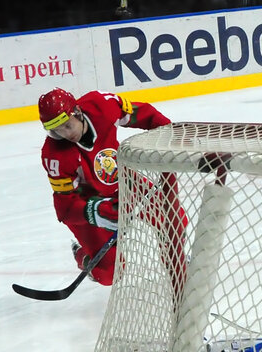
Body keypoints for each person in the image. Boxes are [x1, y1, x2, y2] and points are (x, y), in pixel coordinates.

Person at [37, 88, 172, 286]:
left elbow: (141, 114)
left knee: (171, 218)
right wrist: (99, 212)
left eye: (67, 126)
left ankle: (176, 266)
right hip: (86, 201)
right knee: (110, 274)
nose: (66, 134)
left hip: (122, 182)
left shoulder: (102, 105)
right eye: (57, 131)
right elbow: (65, 208)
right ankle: (84, 257)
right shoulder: (55, 155)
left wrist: (168, 130)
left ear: (77, 113)